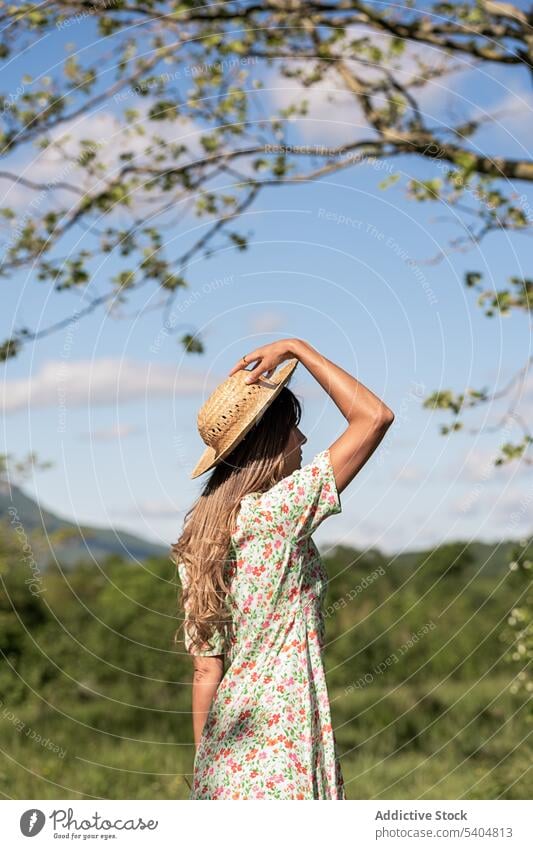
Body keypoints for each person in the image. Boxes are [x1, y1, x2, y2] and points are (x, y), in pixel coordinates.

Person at [171, 338, 394, 800]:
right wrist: (298, 348)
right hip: (284, 741)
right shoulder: (277, 513)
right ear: (269, 440)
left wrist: (205, 774)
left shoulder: (198, 546)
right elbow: (374, 417)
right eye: (293, 428)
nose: (303, 439)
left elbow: (204, 673)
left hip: (226, 751)